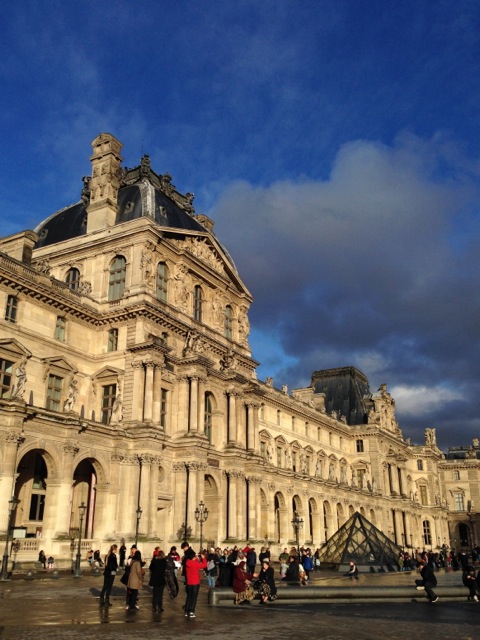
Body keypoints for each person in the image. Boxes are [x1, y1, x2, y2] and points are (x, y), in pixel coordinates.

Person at [184, 548, 207, 618]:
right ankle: (191, 611)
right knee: (194, 597)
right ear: (194, 557)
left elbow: (193, 561)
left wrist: (195, 558)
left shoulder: (187, 562)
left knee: (189, 597)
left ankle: (186, 611)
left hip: (189, 582)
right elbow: (204, 565)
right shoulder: (195, 563)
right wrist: (203, 558)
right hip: (195, 582)